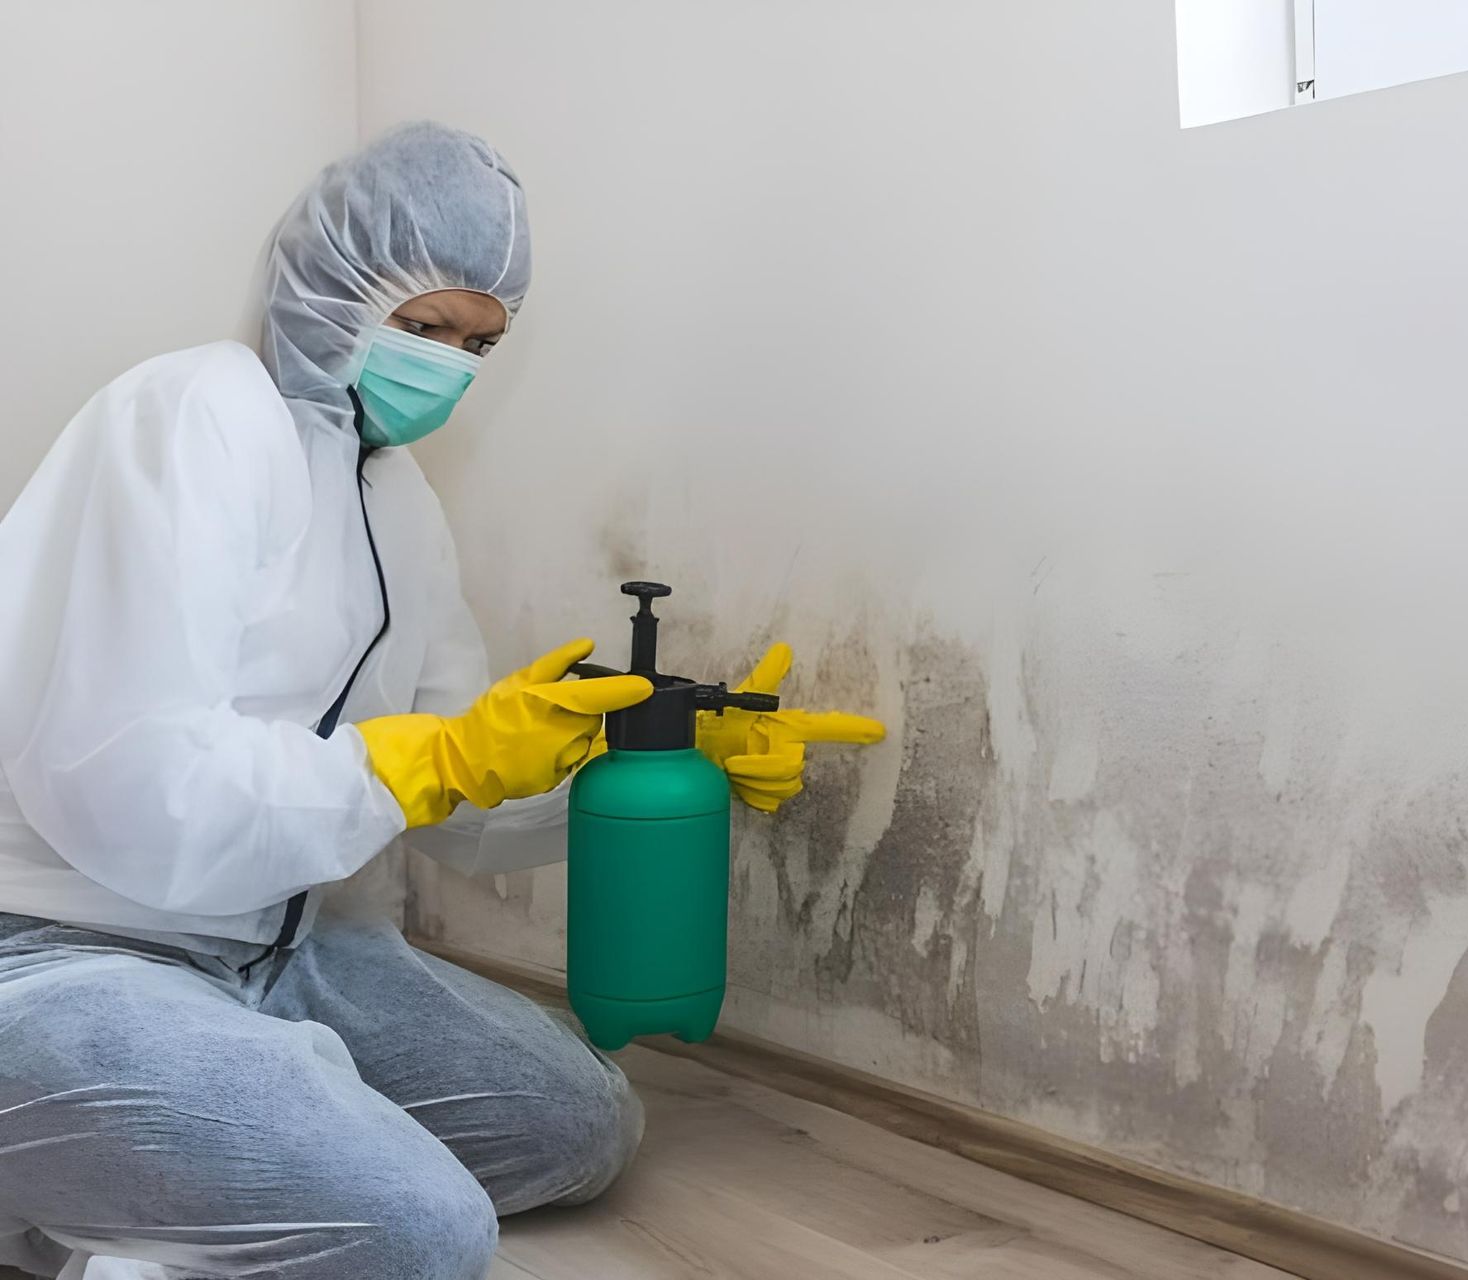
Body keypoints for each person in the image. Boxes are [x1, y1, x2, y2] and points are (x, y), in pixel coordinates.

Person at [0, 123, 884, 1280]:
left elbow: (463, 797)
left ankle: (159, 1142)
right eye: (423, 328)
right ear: (328, 283)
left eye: (481, 341)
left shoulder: (396, 495)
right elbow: (127, 783)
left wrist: (644, 757)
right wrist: (420, 761)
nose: (451, 365)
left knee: (580, 1126)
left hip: (277, 947)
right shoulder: (191, 414)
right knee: (419, 1234)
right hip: (64, 951)